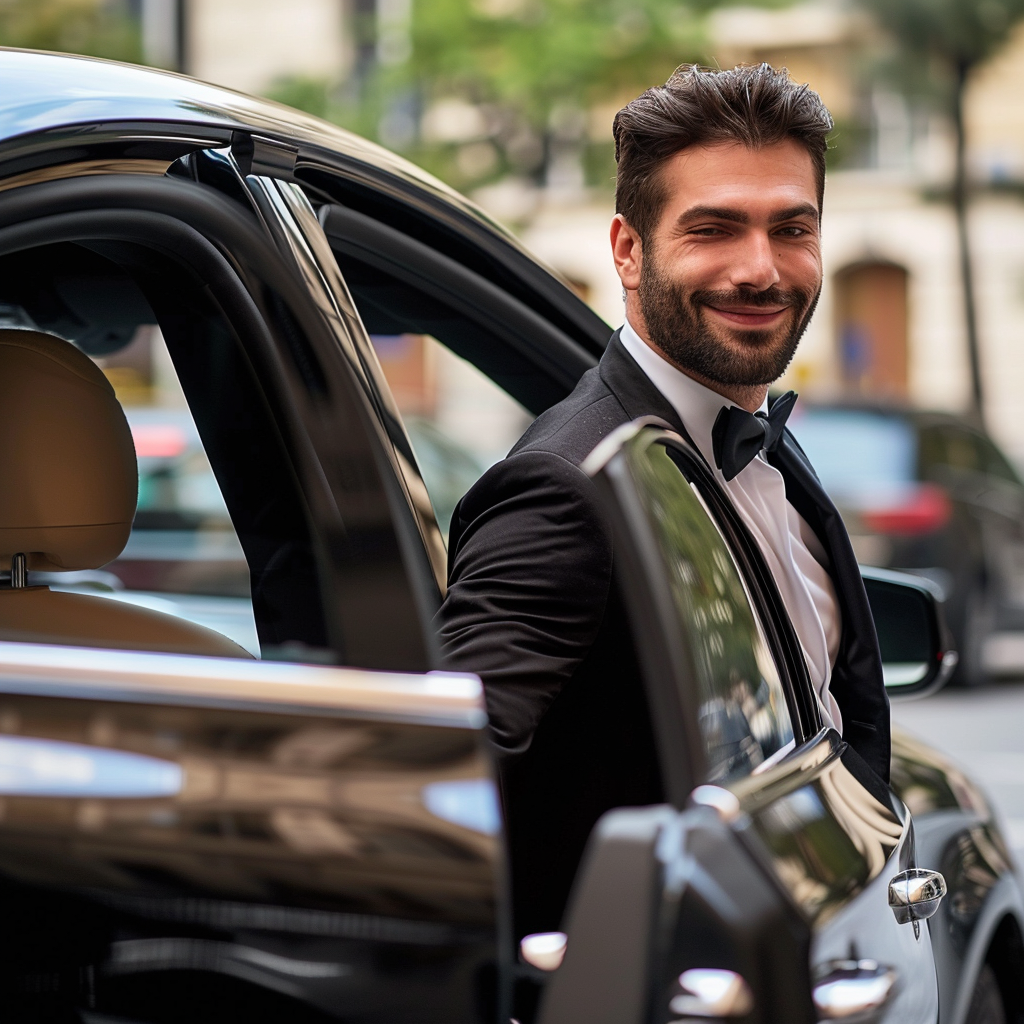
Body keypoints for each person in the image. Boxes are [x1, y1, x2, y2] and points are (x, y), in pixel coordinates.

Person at [435, 63, 890, 938]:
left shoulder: (751, 424)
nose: (762, 270)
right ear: (627, 250)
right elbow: (448, 782)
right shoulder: (567, 489)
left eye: (791, 228)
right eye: (714, 229)